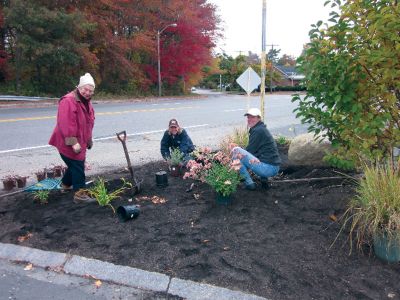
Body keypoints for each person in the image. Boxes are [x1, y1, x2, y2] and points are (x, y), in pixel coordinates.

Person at [49, 73, 96, 203]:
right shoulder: (68, 101)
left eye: (90, 91)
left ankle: (65, 185)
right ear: (79, 87)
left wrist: (89, 140)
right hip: (67, 141)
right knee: (77, 166)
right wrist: (73, 142)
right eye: (85, 89)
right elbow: (65, 123)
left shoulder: (86, 103)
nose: (87, 92)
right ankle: (80, 195)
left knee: (74, 165)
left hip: (79, 141)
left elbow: (88, 123)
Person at [231, 108, 281, 190]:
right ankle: (264, 182)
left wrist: (235, 155)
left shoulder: (258, 131)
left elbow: (249, 152)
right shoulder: (261, 129)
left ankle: (249, 183)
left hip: (268, 169)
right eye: (248, 117)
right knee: (242, 153)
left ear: (259, 118)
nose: (249, 119)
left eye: (252, 117)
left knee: (236, 151)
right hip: (273, 167)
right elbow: (254, 152)